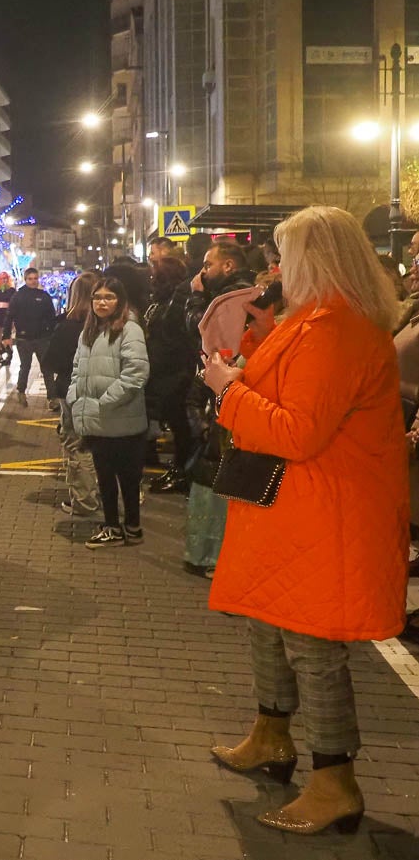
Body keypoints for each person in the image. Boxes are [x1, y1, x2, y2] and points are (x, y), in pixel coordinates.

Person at [203, 206, 407, 836]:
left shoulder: (336, 330)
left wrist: (227, 391)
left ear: (313, 260)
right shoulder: (312, 322)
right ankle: (270, 734)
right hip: (290, 508)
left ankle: (334, 780)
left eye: (284, 257)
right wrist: (245, 368)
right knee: (269, 626)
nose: (275, 268)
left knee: (314, 647)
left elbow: (298, 431)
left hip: (323, 511)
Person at [67, 277, 149, 547]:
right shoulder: (89, 331)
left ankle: (130, 527)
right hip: (97, 420)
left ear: (120, 300)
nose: (102, 302)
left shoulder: (129, 329)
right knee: (105, 478)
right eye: (97, 297)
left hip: (120, 419)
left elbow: (136, 374)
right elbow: (78, 368)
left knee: (127, 478)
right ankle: (113, 526)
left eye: (109, 297)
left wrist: (103, 402)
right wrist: (74, 396)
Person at [45, 272, 101, 518]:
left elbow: (53, 362)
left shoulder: (69, 327)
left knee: (77, 445)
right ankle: (100, 493)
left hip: (73, 390)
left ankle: (84, 501)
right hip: (104, 391)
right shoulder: (111, 327)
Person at [143, 256, 196, 494]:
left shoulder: (177, 301)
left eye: (155, 275)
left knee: (181, 426)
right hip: (166, 371)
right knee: (177, 426)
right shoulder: (165, 300)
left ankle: (183, 472)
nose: (152, 279)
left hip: (174, 373)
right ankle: (179, 469)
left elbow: (173, 337)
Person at [8, 267, 56, 403]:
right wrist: (6, 336)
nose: (33, 281)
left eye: (35, 278)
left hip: (42, 337)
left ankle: (52, 397)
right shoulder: (18, 296)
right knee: (25, 366)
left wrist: (52, 333)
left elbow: (51, 317)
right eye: (30, 279)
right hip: (24, 339)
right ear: (25, 279)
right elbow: (9, 316)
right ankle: (21, 391)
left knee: (47, 368)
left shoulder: (44, 296)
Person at [0, 272, 16, 366]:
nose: (4, 280)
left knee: (7, 334)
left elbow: (14, 303)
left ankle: (9, 355)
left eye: (5, 278)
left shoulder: (12, 290)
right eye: (2, 278)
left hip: (8, 314)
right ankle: (0, 355)